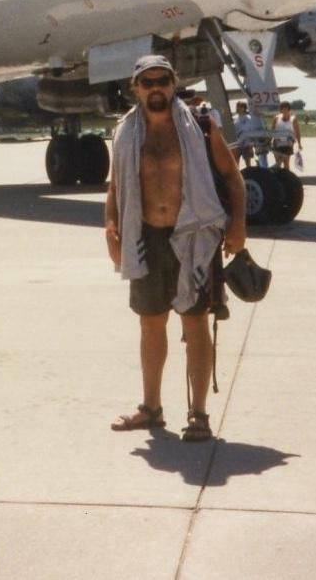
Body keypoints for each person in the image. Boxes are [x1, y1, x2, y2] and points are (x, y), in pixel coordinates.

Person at [105, 55, 246, 442]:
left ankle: (198, 415)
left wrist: (238, 224)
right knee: (150, 324)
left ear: (173, 83)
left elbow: (233, 177)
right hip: (145, 237)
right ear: (135, 88)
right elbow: (116, 187)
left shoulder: (200, 126)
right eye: (147, 81)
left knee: (195, 323)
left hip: (194, 237)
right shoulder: (125, 133)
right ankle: (151, 408)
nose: (155, 88)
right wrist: (111, 229)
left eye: (162, 80)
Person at [268, 102, 302, 170]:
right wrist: (269, 141)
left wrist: (299, 143)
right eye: (282, 109)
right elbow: (272, 131)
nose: (284, 111)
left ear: (288, 109)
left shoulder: (293, 119)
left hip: (288, 144)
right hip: (277, 143)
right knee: (278, 163)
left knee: (286, 163)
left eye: (286, 109)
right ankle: (279, 178)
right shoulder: (276, 118)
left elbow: (297, 132)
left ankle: (286, 178)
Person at [231, 101, 263, 166]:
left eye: (241, 107)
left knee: (248, 163)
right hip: (238, 143)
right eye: (238, 107)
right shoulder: (235, 120)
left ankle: (251, 172)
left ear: (244, 108)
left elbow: (251, 130)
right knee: (236, 163)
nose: (239, 108)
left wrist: (252, 143)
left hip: (247, 144)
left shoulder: (249, 118)